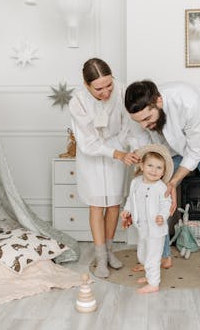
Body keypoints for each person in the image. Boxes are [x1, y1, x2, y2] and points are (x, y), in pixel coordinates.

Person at [124, 80, 200, 295]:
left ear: (159, 101)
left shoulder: (188, 101)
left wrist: (173, 181)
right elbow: (141, 140)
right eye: (140, 122)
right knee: (157, 193)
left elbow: (196, 150)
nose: (145, 125)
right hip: (174, 148)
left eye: (147, 118)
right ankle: (161, 256)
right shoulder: (144, 114)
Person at [68, 58, 139, 278]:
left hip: (118, 149)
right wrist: (116, 154)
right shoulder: (77, 102)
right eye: (99, 88)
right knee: (97, 205)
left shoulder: (121, 91)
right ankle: (100, 258)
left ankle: (110, 252)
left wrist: (132, 150)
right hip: (92, 157)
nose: (106, 92)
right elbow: (88, 142)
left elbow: (129, 128)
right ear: (86, 84)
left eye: (109, 85)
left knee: (115, 204)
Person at [120, 144, 173, 294]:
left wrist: (162, 216)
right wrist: (126, 210)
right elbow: (131, 199)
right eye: (150, 165)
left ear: (163, 172)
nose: (154, 170)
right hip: (141, 227)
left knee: (153, 257)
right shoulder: (135, 183)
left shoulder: (161, 187)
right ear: (142, 166)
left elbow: (166, 204)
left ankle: (154, 283)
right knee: (142, 253)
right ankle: (149, 275)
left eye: (158, 168)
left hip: (156, 230)